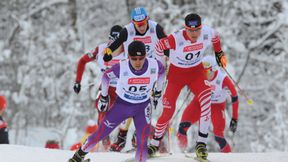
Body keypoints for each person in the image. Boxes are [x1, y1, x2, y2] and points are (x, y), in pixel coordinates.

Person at [147, 13, 228, 161]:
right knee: (168, 111)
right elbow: (158, 47)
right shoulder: (175, 38)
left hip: (196, 73)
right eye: (191, 31)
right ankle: (154, 143)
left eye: (197, 30)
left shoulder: (207, 33)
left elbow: (216, 37)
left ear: (201, 27)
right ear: (185, 29)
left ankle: (201, 145)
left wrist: (219, 54)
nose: (194, 34)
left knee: (206, 101)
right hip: (176, 76)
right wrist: (161, 64)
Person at [68, 40, 166, 162]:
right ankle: (78, 157)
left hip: (143, 106)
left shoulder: (154, 65)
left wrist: (158, 91)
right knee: (101, 133)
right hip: (122, 106)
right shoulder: (122, 66)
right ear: (129, 57)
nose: (137, 62)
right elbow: (105, 77)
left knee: (142, 140)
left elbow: (162, 72)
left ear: (145, 56)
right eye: (134, 58)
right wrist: (104, 97)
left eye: (141, 58)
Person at [103, 7, 168, 152]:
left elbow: (167, 41)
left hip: (150, 69)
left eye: (143, 22)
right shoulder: (128, 30)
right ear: (133, 22)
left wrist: (169, 55)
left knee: (147, 104)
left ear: (147, 19)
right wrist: (108, 52)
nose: (141, 26)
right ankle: (121, 138)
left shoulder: (155, 27)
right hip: (131, 69)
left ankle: (140, 138)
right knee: (128, 102)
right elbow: (116, 43)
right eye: (137, 24)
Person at [73, 25, 124, 149]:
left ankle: (127, 141)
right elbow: (82, 61)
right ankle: (104, 145)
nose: (114, 44)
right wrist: (77, 81)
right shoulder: (101, 49)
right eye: (112, 40)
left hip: (125, 89)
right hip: (107, 89)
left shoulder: (129, 50)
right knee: (102, 109)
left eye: (118, 41)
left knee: (126, 116)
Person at [177, 55, 239, 153]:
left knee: (218, 136)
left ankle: (228, 156)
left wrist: (234, 118)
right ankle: (182, 153)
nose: (204, 74)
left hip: (217, 106)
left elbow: (235, 97)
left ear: (213, 69)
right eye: (202, 71)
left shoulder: (223, 79)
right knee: (182, 127)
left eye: (206, 71)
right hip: (199, 102)